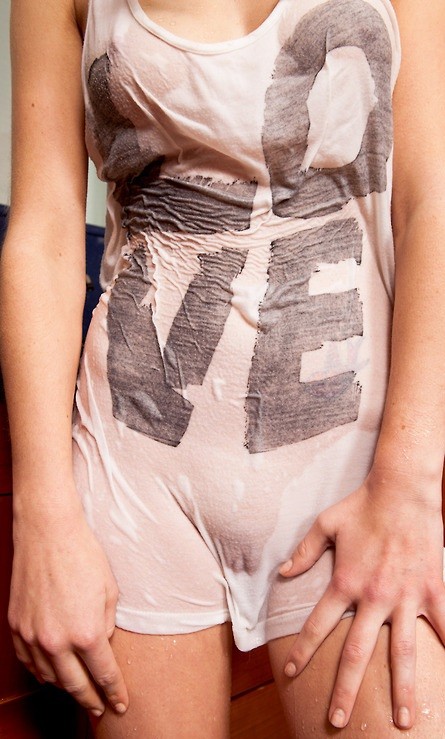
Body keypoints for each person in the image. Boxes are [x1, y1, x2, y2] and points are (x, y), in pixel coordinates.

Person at [1, 0, 445, 736]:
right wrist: (41, 517)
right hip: (140, 466)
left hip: (353, 466)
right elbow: (44, 232)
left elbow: (431, 202)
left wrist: (410, 484)